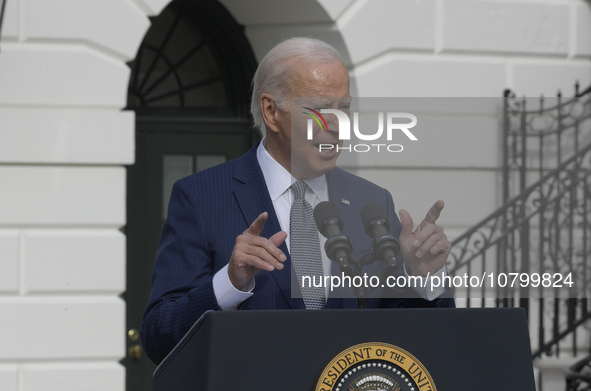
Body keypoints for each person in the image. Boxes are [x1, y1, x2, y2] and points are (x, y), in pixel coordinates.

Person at [141, 37, 454, 365]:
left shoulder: (372, 202)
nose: (337, 126)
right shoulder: (201, 197)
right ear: (271, 112)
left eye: (344, 108)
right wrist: (230, 283)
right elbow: (157, 336)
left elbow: (415, 342)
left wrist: (423, 278)